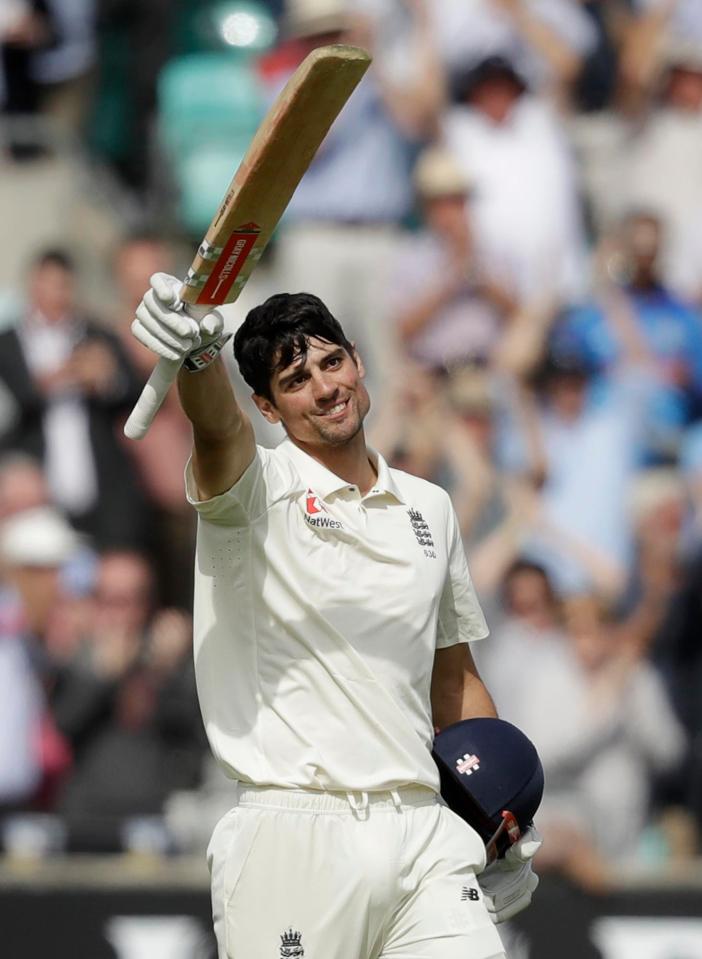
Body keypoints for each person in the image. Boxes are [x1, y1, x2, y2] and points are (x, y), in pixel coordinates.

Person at [130, 274, 541, 958]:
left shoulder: (429, 507)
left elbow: (454, 680)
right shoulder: (254, 489)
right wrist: (200, 361)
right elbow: (216, 428)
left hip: (422, 832)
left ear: (357, 357)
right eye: (295, 379)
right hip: (295, 833)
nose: (325, 387)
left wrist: (501, 811)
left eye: (330, 361)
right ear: (266, 405)